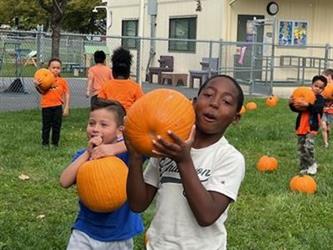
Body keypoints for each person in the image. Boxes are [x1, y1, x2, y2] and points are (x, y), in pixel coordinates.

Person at [125, 75, 245, 250]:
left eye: (226, 101)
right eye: (208, 95)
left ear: (235, 118)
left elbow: (207, 215)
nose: (214, 103)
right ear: (194, 103)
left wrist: (184, 160)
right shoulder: (166, 147)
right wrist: (135, 158)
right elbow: (138, 204)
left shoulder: (229, 158)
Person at [60, 98, 144, 250]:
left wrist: (114, 149)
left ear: (120, 130)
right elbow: (64, 181)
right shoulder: (83, 156)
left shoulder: (127, 155)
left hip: (120, 234)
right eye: (92, 123)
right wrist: (88, 153)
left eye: (104, 125)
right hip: (85, 231)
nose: (95, 129)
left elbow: (145, 142)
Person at [289, 75, 327, 175]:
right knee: (301, 148)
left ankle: (312, 164)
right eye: (316, 86)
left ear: (323, 89)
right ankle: (304, 167)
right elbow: (296, 108)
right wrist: (291, 104)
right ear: (312, 85)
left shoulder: (320, 99)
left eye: (320, 88)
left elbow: (317, 109)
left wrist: (308, 105)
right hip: (301, 126)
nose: (317, 89)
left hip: (311, 127)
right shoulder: (304, 95)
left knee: (308, 146)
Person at [34, 58, 70, 147]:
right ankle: (45, 144)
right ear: (48, 68)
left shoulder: (62, 81)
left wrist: (66, 107)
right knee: (46, 126)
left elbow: (67, 94)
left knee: (56, 126)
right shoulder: (44, 80)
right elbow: (42, 92)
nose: (55, 70)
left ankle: (55, 144)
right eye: (53, 67)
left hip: (57, 106)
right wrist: (37, 85)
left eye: (58, 68)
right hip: (46, 106)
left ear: (60, 69)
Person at [98, 47, 144, 111]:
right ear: (128, 70)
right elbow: (142, 104)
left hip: (111, 117)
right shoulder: (135, 87)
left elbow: (100, 101)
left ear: (113, 70)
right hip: (128, 118)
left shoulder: (106, 85)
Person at [321, 68, 333, 148]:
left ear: (329, 76)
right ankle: (326, 143)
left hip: (331, 111)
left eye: (323, 77)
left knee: (328, 128)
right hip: (323, 110)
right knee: (324, 127)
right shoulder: (322, 86)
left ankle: (328, 138)